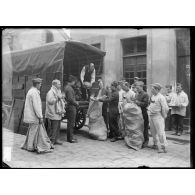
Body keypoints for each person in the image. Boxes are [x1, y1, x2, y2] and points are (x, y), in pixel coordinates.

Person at [21, 78, 53, 153]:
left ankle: (31, 145)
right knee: (33, 131)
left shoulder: (30, 91)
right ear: (37, 84)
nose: (41, 85)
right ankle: (30, 146)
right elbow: (37, 106)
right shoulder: (34, 92)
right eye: (40, 84)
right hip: (34, 116)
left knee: (32, 130)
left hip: (31, 115)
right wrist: (40, 116)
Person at [148, 83, 169, 153]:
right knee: (153, 132)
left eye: (153, 89)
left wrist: (163, 116)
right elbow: (151, 104)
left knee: (160, 132)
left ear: (157, 89)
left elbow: (165, 108)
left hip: (158, 116)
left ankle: (164, 147)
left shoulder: (161, 97)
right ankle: (155, 144)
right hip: (151, 116)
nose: (151, 90)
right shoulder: (153, 96)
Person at [45, 79, 65, 147]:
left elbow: (60, 98)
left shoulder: (58, 91)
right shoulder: (51, 92)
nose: (60, 85)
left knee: (58, 127)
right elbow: (50, 101)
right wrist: (58, 98)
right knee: (53, 128)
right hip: (53, 112)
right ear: (54, 85)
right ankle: (51, 141)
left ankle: (56, 139)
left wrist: (62, 98)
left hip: (58, 112)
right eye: (59, 84)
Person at [64, 75, 79, 143]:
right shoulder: (69, 88)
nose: (74, 83)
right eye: (74, 82)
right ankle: (70, 138)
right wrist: (76, 103)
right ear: (72, 81)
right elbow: (70, 99)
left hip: (69, 107)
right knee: (71, 123)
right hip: (71, 107)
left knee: (70, 123)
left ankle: (69, 137)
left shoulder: (67, 87)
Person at [135, 81, 149, 148]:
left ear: (141, 87)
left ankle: (146, 141)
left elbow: (146, 104)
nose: (137, 89)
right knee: (139, 128)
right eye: (136, 88)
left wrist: (138, 102)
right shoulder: (137, 94)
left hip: (143, 113)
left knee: (145, 128)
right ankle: (140, 140)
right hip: (137, 114)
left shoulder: (145, 94)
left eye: (138, 88)